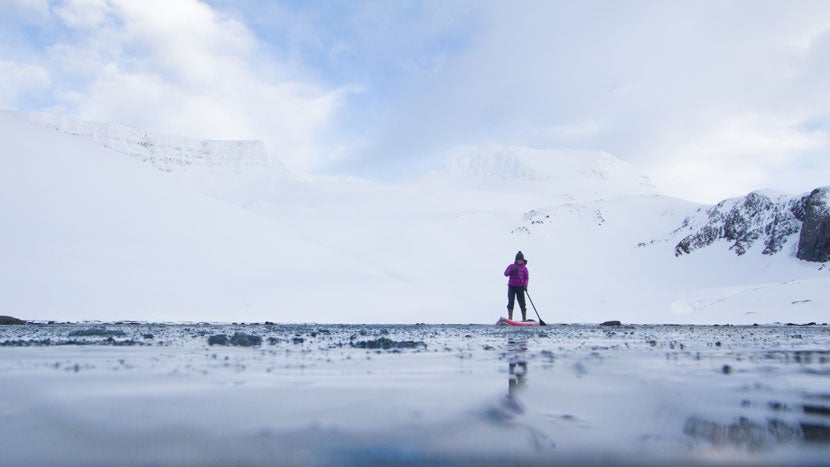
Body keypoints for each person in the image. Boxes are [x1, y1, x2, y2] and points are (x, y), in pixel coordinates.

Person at [504, 251, 529, 321]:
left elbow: (526, 278)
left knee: (522, 303)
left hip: (520, 287)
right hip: (511, 287)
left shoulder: (524, 269)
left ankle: (524, 319)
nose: (520, 261)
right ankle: (510, 318)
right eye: (518, 260)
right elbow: (505, 274)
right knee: (511, 302)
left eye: (521, 260)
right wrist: (512, 271)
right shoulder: (511, 266)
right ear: (516, 260)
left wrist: (525, 286)